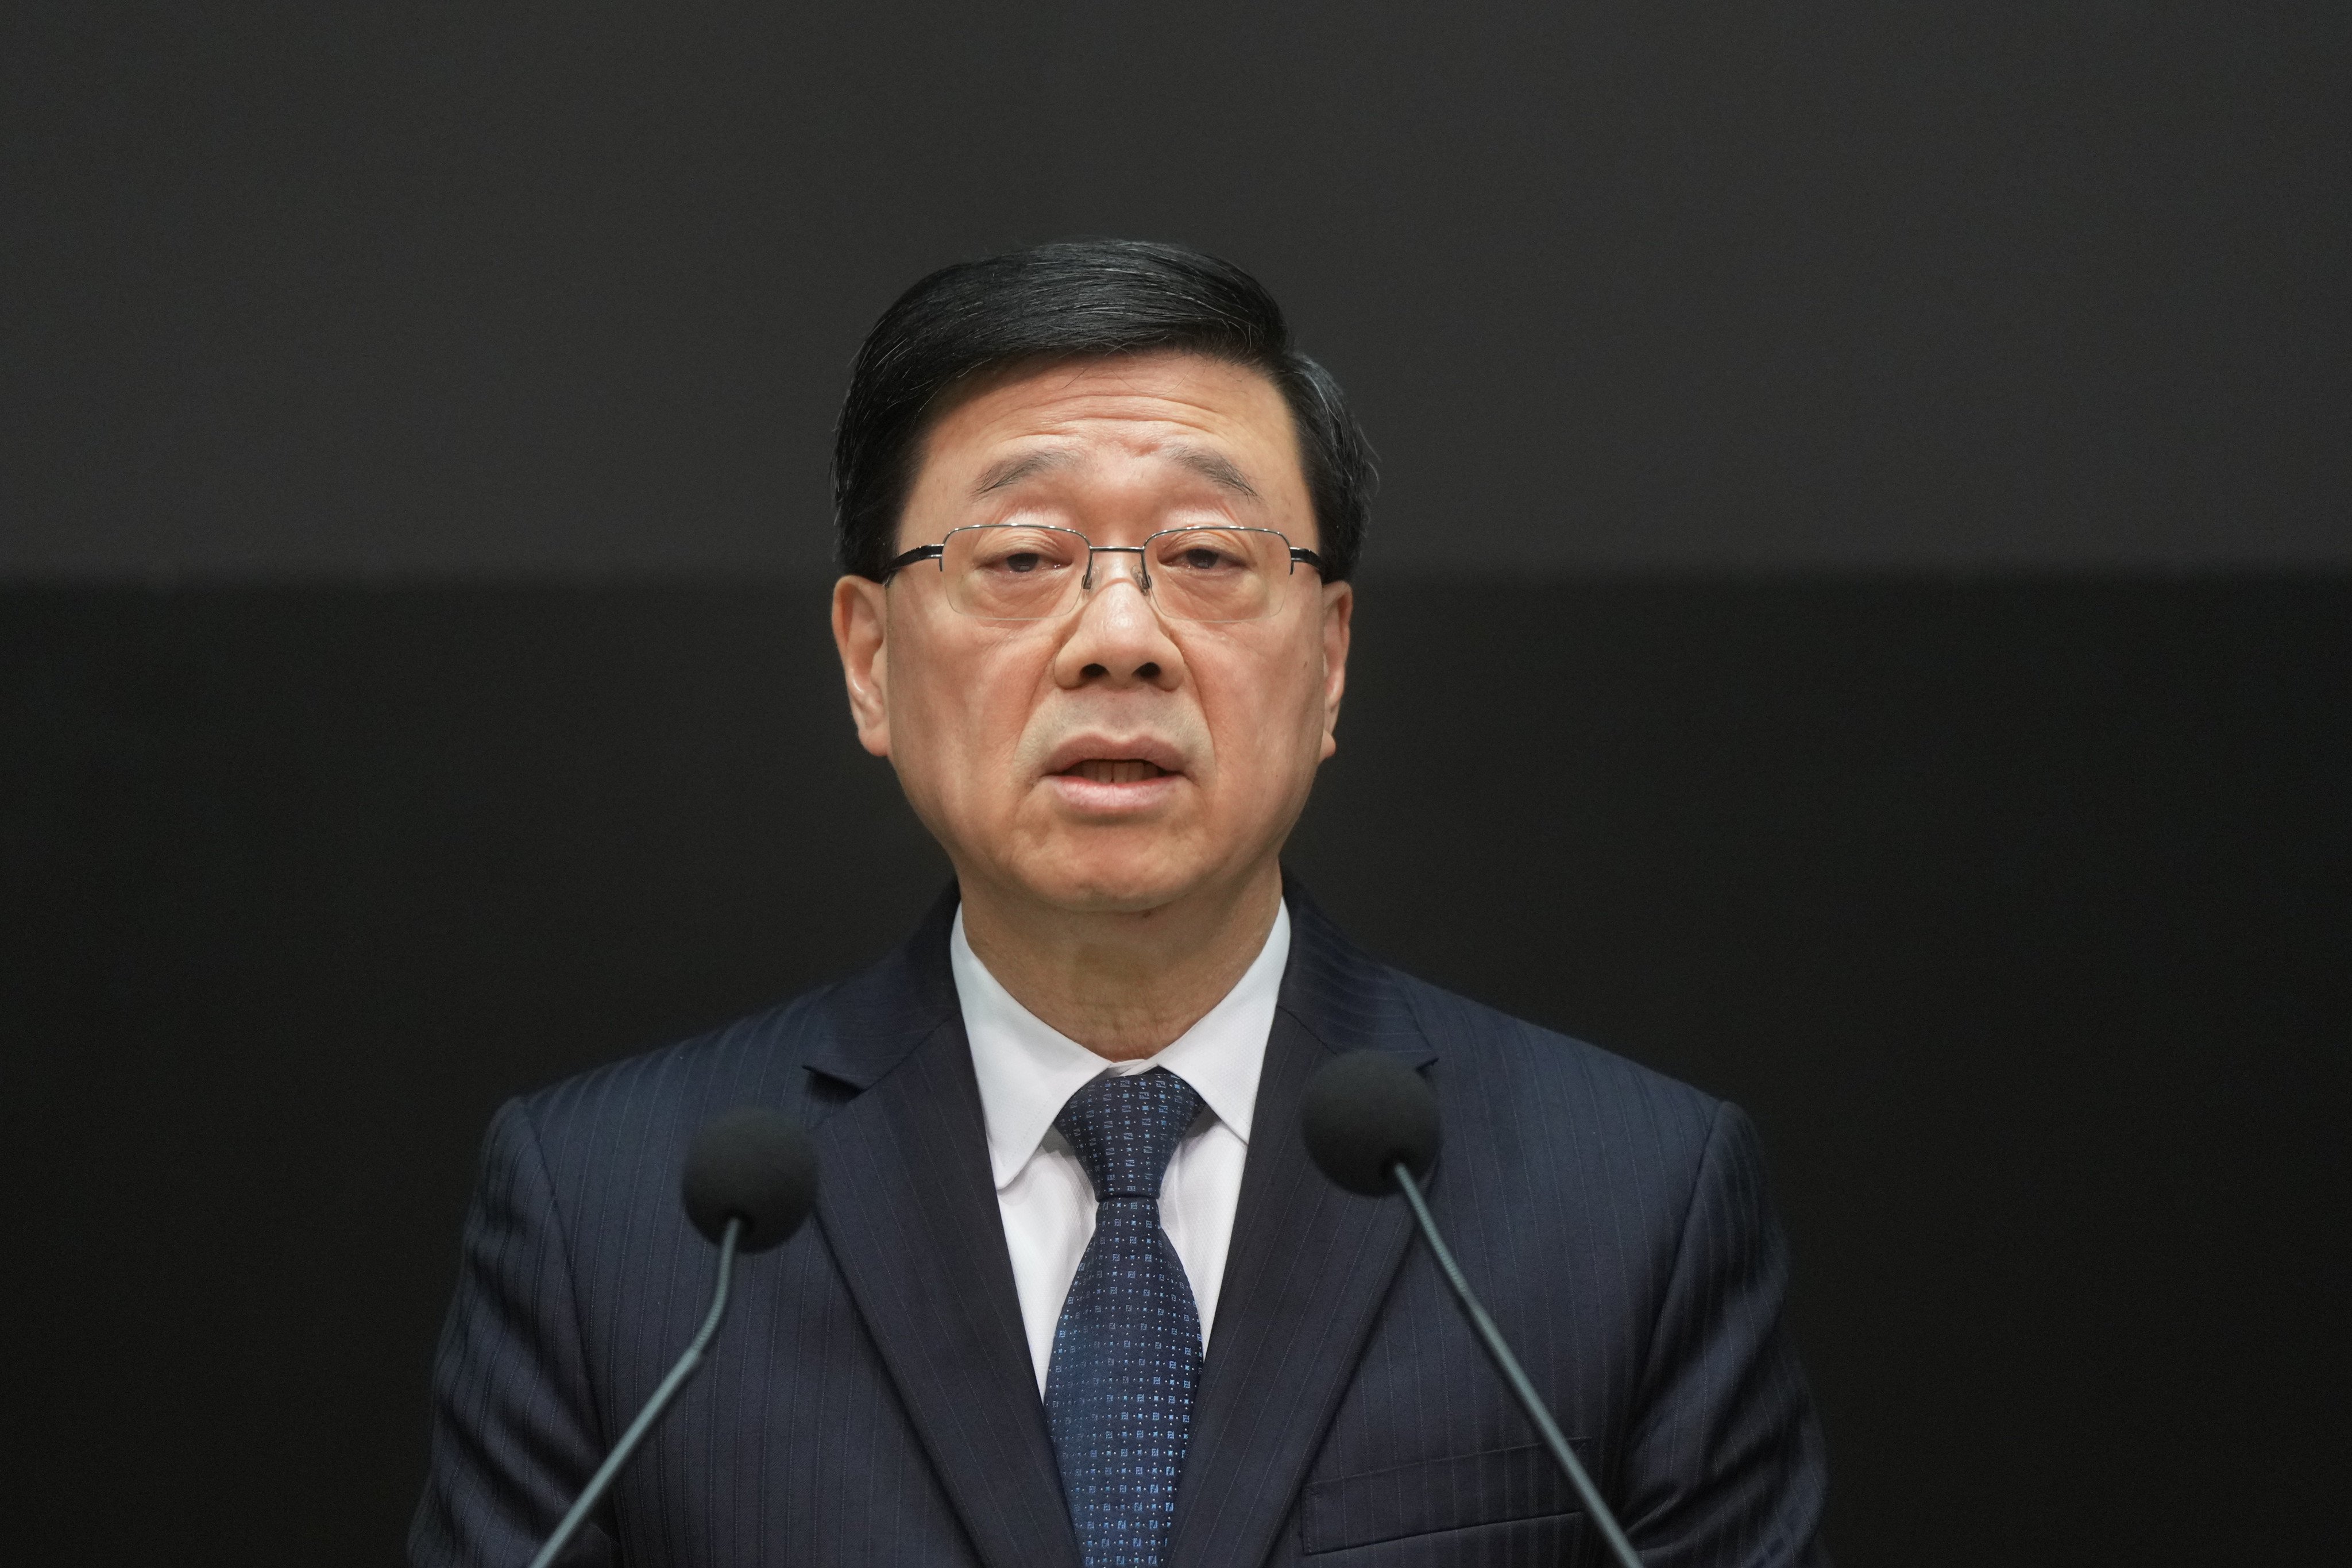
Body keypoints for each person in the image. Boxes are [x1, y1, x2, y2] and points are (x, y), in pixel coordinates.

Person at [411, 239, 1829, 1567]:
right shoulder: (622, 1227)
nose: (1119, 639)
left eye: (1207, 558)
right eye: (1020, 558)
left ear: (1328, 658)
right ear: (868, 660)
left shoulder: (1632, 1203)